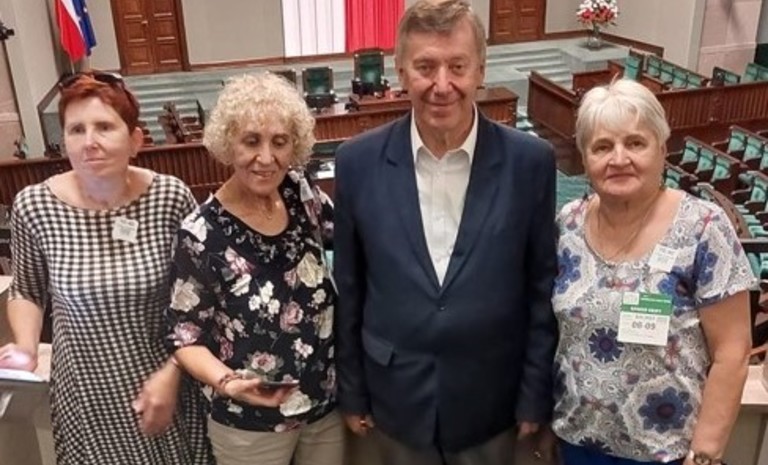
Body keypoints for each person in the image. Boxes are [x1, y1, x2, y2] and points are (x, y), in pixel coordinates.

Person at [334, 1, 559, 463]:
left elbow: (541, 289)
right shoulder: (357, 162)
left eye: (457, 66)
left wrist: (534, 394)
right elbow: (350, 287)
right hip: (392, 400)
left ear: (480, 71)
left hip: (493, 404)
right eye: (425, 67)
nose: (442, 85)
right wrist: (352, 390)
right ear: (401, 72)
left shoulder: (530, 163)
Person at [0, 71, 212, 464]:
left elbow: (198, 298)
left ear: (135, 140)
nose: (89, 142)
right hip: (86, 390)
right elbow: (27, 288)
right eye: (76, 129)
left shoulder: (170, 197)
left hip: (163, 381)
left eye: (104, 127)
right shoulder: (35, 206)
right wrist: (26, 347)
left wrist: (174, 370)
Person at [545, 78, 754, 464]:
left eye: (635, 143)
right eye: (602, 147)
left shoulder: (702, 227)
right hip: (575, 444)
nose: (618, 158)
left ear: (661, 148)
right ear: (585, 159)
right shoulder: (568, 224)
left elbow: (733, 352)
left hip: (667, 454)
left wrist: (705, 454)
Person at [165, 72, 341, 465]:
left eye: (279, 142)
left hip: (323, 406)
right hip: (248, 423)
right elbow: (185, 337)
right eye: (251, 141)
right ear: (228, 144)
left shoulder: (301, 194)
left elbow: (354, 242)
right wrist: (228, 384)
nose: (266, 158)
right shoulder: (200, 234)